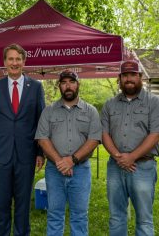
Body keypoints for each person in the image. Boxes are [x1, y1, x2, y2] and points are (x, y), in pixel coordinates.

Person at [0, 43, 45, 236]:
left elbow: (40, 122)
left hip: (26, 156)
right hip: (1, 156)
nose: (14, 63)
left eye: (18, 59)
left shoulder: (35, 87)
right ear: (4, 63)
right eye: (11, 59)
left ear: (24, 62)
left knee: (23, 205)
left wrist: (40, 152)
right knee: (1, 204)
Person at [101, 60, 159, 236]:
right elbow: (104, 134)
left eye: (133, 75)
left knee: (144, 220)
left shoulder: (155, 102)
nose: (129, 79)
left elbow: (156, 134)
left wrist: (131, 157)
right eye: (125, 75)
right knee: (116, 217)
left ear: (140, 77)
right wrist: (118, 157)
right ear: (119, 78)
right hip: (115, 167)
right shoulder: (109, 104)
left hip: (143, 168)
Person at [35, 69, 101, 236]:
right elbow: (42, 138)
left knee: (79, 216)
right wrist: (60, 161)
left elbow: (93, 140)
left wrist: (72, 160)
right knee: (54, 214)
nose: (68, 86)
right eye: (64, 83)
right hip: (54, 171)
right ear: (59, 86)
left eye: (71, 82)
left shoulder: (90, 111)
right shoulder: (48, 111)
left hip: (81, 171)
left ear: (78, 84)